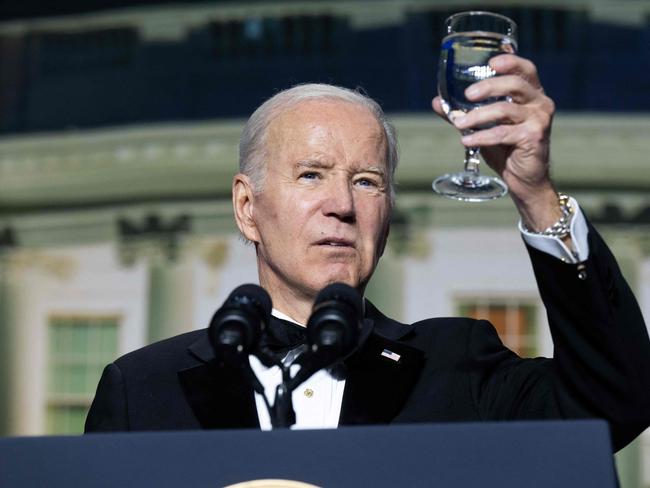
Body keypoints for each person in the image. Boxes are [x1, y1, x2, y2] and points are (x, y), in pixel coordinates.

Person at [85, 54, 650, 451]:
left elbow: (615, 401)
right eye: (311, 175)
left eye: (367, 181)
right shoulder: (142, 391)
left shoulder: (456, 368)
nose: (341, 205)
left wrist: (535, 194)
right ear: (247, 206)